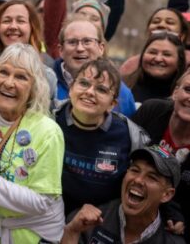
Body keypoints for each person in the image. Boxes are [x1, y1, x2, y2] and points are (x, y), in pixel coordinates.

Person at [0, 43, 65, 243]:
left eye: (21, 77)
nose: (9, 83)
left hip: (30, 236)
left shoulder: (47, 131)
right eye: (3, 72)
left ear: (34, 87)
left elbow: (42, 202)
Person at [54, 58, 149, 215]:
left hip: (100, 223)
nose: (90, 92)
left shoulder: (131, 136)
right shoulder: (50, 119)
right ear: (71, 89)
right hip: (49, 216)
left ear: (112, 104)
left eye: (101, 90)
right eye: (84, 83)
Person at [62, 146, 185, 244]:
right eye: (135, 170)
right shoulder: (85, 224)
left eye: (152, 177)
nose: (138, 180)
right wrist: (72, 232)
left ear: (167, 195)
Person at [132, 69, 190, 242]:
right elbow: (122, 160)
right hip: (130, 205)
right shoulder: (152, 111)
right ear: (175, 92)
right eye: (188, 90)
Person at [0, 0, 57, 99]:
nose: (13, 26)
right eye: (7, 21)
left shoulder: (46, 76)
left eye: (21, 21)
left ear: (32, 28)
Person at [54, 14, 136, 117]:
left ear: (101, 48)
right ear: (61, 50)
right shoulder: (44, 82)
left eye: (87, 41)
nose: (80, 48)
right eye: (72, 42)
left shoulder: (121, 93)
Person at [120, 7, 189, 76]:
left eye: (169, 22)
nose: (161, 25)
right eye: (156, 22)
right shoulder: (131, 66)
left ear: (182, 35)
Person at [124, 32, 186, 106]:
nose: (158, 59)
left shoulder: (186, 95)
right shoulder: (121, 85)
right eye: (152, 52)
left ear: (180, 61)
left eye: (167, 54)